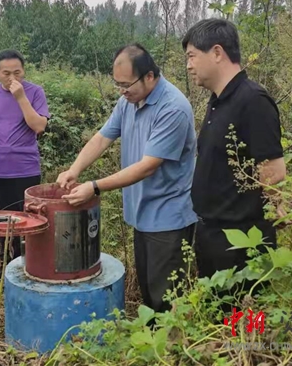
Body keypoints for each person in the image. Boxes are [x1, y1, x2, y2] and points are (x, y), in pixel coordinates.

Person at [56, 43, 198, 313]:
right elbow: (102, 138)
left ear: (149, 76)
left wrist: (94, 187)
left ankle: (171, 339)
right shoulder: (128, 102)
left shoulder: (173, 108)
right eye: (117, 84)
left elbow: (147, 166)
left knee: (166, 296)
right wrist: (75, 169)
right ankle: (153, 335)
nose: (121, 91)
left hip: (168, 217)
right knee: (148, 290)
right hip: (142, 213)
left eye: (126, 85)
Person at [183, 18, 286, 290]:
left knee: (246, 314)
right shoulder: (217, 101)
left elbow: (273, 171)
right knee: (217, 313)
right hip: (212, 236)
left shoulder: (253, 100)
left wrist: (276, 207)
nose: (188, 65)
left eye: (192, 56)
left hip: (241, 244)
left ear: (217, 52)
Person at [0, 49, 50, 282]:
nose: (11, 78)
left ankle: (29, 266)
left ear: (24, 71)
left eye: (17, 72)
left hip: (26, 169)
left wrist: (20, 97)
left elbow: (39, 126)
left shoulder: (35, 92)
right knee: (2, 219)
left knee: (28, 221)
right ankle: (6, 265)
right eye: (6, 73)